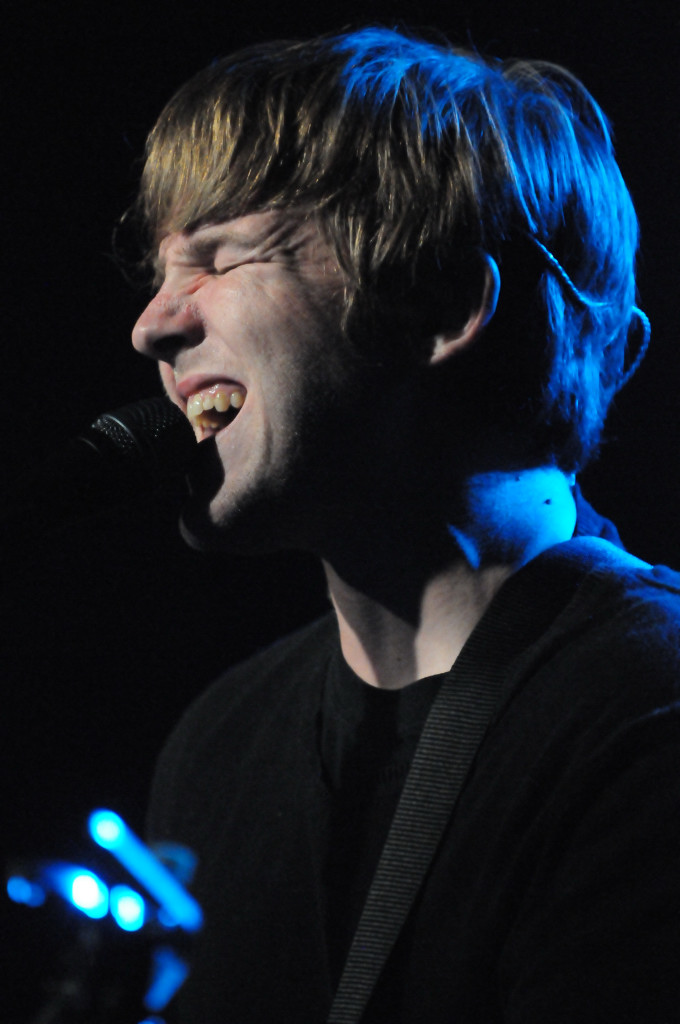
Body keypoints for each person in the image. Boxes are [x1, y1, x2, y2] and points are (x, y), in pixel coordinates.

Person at [131, 27, 680, 1023]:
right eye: (163, 271)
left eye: (219, 257)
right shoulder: (218, 743)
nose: (154, 324)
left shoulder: (647, 714)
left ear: (442, 304)